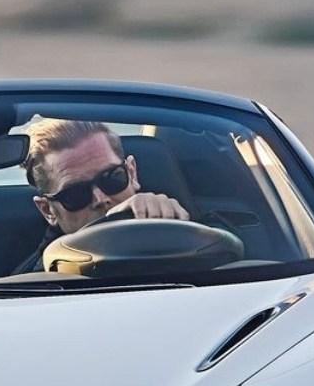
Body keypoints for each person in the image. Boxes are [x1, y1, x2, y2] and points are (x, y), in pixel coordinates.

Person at [14, 117, 189, 273]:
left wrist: (176, 225)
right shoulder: (35, 286)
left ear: (132, 172)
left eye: (112, 178)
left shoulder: (189, 224)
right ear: (48, 211)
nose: (101, 199)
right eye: (76, 193)